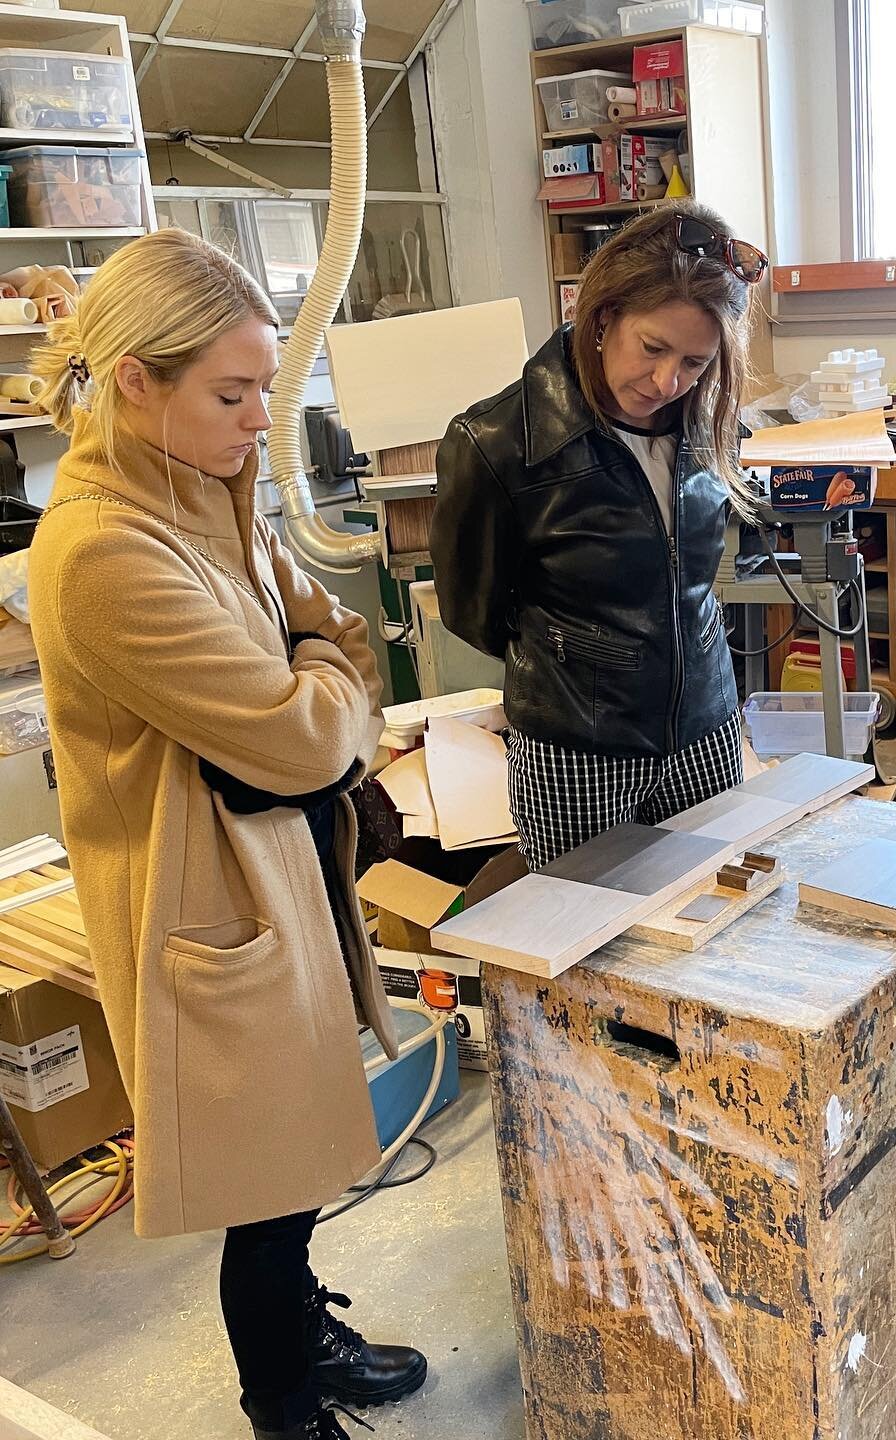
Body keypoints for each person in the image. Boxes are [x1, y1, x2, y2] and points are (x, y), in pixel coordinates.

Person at [26, 229, 427, 1440]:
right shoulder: (102, 550)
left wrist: (319, 680)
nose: (261, 420)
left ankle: (302, 1335)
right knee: (266, 1189)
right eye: (233, 392)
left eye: (266, 389)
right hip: (205, 901)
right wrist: (323, 689)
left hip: (275, 867)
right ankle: (285, 1407)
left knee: (300, 1169)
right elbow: (310, 733)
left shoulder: (210, 490)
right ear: (136, 383)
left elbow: (329, 636)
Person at [431, 201, 768, 868]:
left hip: (707, 726)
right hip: (577, 748)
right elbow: (475, 613)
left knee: (708, 930)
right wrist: (582, 659)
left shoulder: (707, 422)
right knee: (589, 949)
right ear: (604, 314)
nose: (668, 381)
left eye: (695, 362)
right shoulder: (496, 443)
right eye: (653, 348)